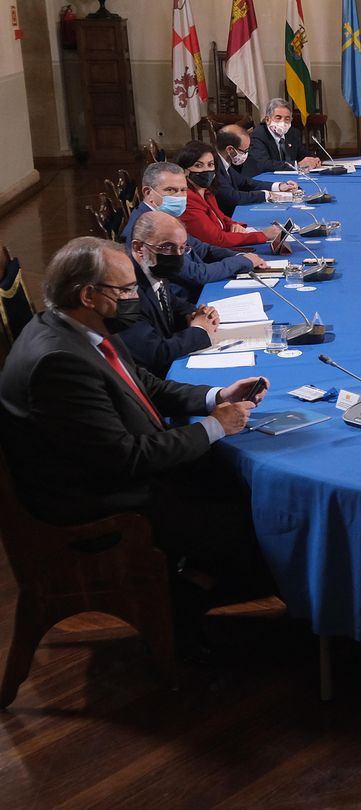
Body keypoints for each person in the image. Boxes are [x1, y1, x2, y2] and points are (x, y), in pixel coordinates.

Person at [0, 237, 272, 630]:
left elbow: (144, 384)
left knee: (242, 485)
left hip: (124, 470)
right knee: (264, 528)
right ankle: (185, 617)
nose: (136, 297)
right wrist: (216, 425)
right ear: (89, 294)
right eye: (127, 290)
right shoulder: (58, 362)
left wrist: (216, 397)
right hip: (105, 503)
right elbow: (127, 458)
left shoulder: (77, 324)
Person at [125, 162, 261, 297]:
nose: (179, 196)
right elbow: (196, 274)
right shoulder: (145, 227)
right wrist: (242, 261)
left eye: (183, 190)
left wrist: (238, 256)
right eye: (170, 190)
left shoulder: (165, 215)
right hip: (185, 298)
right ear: (148, 192)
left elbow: (202, 248)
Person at [120, 211, 218, 376]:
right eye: (167, 247)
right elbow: (154, 353)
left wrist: (194, 314)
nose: (178, 256)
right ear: (138, 248)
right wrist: (199, 329)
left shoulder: (154, 269)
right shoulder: (127, 290)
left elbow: (172, 302)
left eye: (182, 248)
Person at [172, 141, 282, 252]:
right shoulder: (187, 199)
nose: (206, 170)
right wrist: (262, 235)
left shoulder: (207, 191)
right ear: (184, 171)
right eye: (198, 165)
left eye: (210, 164)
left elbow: (221, 217)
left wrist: (233, 225)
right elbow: (216, 239)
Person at [215, 123, 297, 215]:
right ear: (230, 149)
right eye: (245, 151)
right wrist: (266, 195)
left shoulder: (223, 162)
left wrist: (278, 186)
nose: (246, 154)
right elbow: (234, 197)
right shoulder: (214, 167)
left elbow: (245, 182)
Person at [248, 97, 322, 171]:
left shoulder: (293, 133)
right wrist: (297, 165)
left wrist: (314, 160)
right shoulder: (259, 134)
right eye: (278, 118)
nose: (283, 122)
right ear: (267, 120)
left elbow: (303, 155)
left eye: (287, 119)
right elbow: (263, 164)